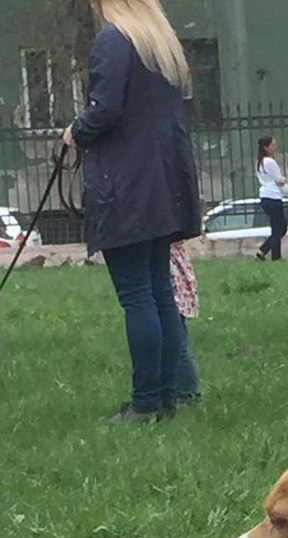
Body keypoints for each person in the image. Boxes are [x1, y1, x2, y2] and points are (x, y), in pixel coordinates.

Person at [63, 0, 200, 423]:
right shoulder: (160, 44)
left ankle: (145, 401)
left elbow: (105, 110)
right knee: (159, 291)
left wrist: (76, 132)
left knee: (137, 294)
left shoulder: (115, 40)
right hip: (163, 183)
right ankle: (167, 396)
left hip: (126, 186)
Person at [169, 240, 201, 404]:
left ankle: (188, 391)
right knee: (176, 336)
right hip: (175, 270)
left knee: (176, 340)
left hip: (171, 275)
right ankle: (179, 389)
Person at [256, 136, 288, 261]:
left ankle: (263, 250)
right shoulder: (270, 162)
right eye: (272, 145)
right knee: (278, 229)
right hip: (273, 197)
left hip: (265, 197)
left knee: (280, 227)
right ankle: (276, 257)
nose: (275, 147)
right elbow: (279, 181)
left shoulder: (259, 162)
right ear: (265, 148)